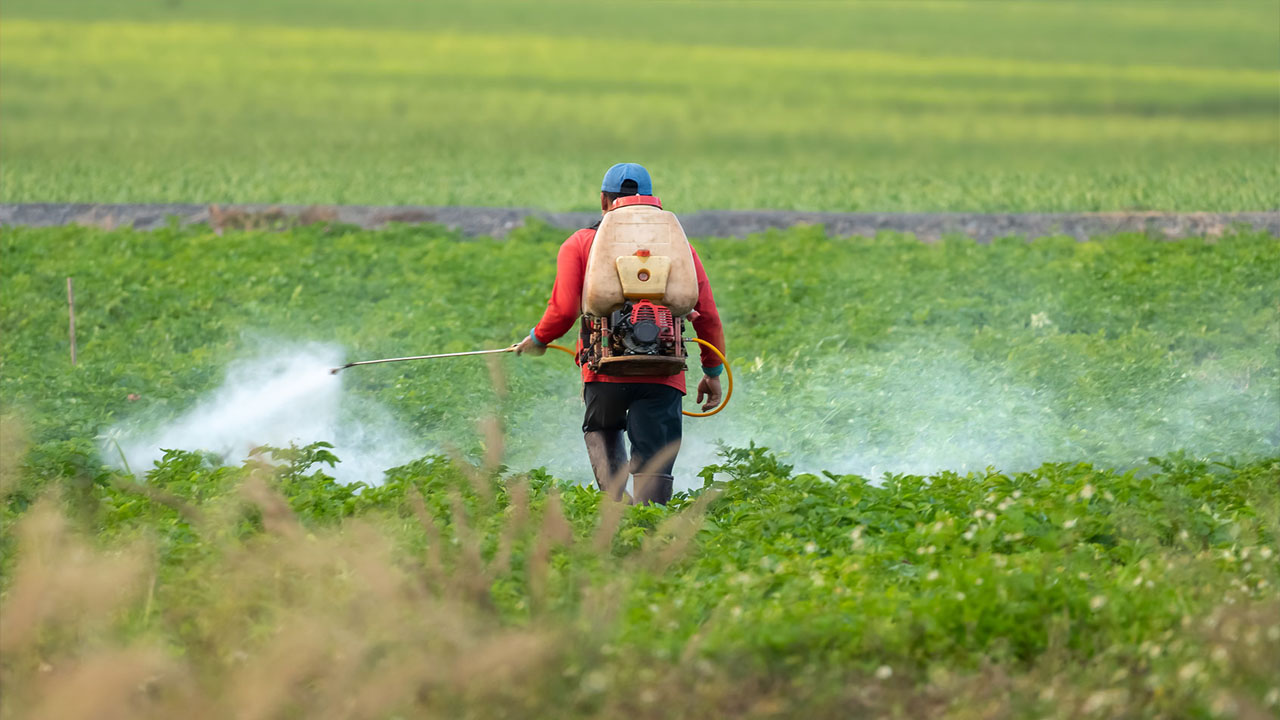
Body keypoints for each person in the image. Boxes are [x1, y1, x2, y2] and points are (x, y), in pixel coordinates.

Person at [513, 163, 726, 505]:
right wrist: (712, 372)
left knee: (602, 429)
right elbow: (708, 315)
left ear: (603, 200)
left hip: (604, 369)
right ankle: (651, 523)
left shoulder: (581, 243)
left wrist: (539, 339)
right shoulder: (678, 248)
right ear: (651, 202)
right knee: (655, 456)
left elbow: (564, 310)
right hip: (664, 371)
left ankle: (617, 509)